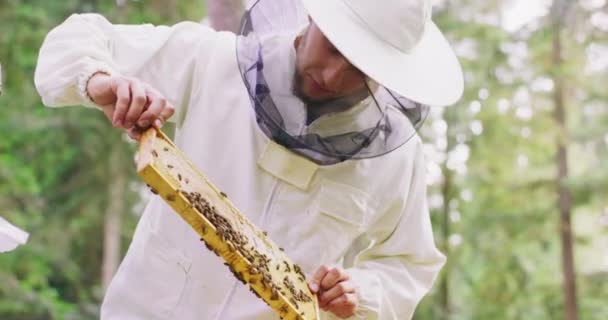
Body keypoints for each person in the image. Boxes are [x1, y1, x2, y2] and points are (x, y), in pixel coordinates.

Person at [35, 0, 463, 319]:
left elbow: (410, 264)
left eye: (358, 67)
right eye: (332, 49)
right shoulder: (210, 61)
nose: (333, 76)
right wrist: (100, 82)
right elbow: (81, 37)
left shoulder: (397, 159)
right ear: (315, 17)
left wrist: (360, 289)